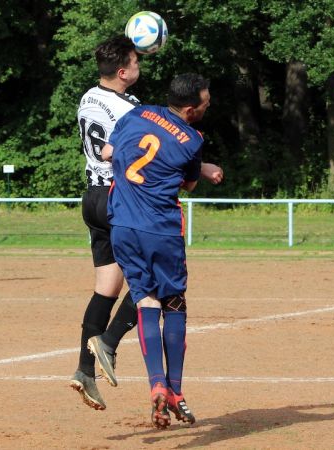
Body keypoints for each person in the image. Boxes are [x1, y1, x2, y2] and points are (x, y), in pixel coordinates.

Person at [70, 37, 223, 412]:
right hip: (120, 198)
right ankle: (108, 341)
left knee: (105, 290)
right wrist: (199, 166)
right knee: (151, 283)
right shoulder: (130, 108)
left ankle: (85, 370)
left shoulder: (89, 97)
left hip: (91, 195)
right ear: (123, 72)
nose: (141, 65)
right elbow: (139, 150)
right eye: (136, 61)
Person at [103, 73, 211, 428]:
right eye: (206, 102)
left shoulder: (137, 114)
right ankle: (176, 391)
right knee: (174, 302)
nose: (209, 105)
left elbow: (108, 152)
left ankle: (156, 385)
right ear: (191, 109)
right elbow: (190, 183)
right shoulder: (193, 140)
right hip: (161, 231)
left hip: (122, 225)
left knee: (145, 300)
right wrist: (204, 168)